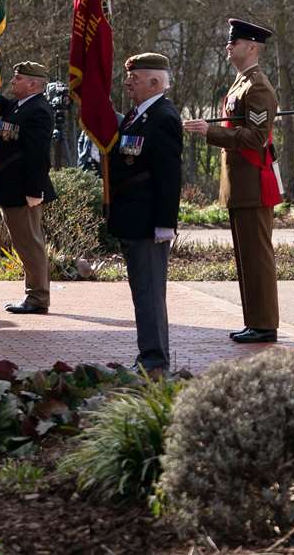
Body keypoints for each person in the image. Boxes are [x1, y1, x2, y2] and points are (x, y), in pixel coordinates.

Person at [183, 18, 280, 344]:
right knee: (246, 258)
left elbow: (255, 138)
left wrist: (210, 131)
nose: (229, 46)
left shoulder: (259, 87)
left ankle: (264, 324)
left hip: (253, 183)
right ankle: (255, 321)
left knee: (257, 257)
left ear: (252, 47)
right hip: (240, 183)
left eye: (234, 42)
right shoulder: (241, 84)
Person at [106, 53, 183, 374]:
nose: (127, 83)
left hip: (149, 223)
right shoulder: (137, 117)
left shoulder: (163, 117)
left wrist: (166, 223)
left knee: (150, 295)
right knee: (142, 293)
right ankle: (148, 355)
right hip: (132, 219)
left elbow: (169, 176)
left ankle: (155, 361)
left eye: (134, 79)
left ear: (154, 82)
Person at [0, 61, 57, 315]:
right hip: (11, 188)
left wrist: (34, 191)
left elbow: (38, 155)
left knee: (29, 245)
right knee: (25, 243)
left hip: (24, 191)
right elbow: (7, 109)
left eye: (18, 79)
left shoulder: (38, 110)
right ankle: (35, 294)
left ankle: (37, 298)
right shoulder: (22, 106)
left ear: (33, 84)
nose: (13, 82)